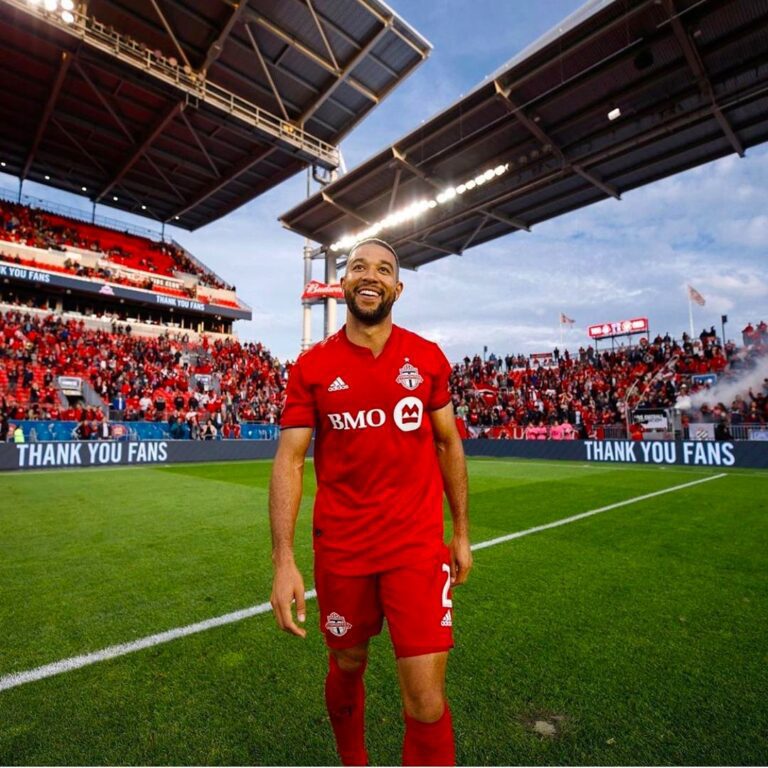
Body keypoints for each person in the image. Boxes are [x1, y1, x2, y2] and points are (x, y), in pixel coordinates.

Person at [269, 238, 471, 766]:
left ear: (397, 288)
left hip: (416, 546)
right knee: (348, 664)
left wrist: (462, 532)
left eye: (383, 269)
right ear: (343, 283)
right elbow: (290, 460)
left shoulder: (426, 358)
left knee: (425, 700)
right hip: (343, 549)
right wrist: (284, 561)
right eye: (358, 266)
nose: (370, 275)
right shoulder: (312, 367)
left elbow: (449, 441)